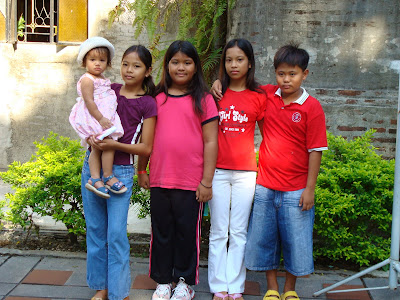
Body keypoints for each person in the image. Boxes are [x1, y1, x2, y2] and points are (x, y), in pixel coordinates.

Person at [212, 43, 328, 300]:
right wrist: (216, 83)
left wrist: (310, 189)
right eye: (281, 74)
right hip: (264, 183)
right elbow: (238, 88)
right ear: (275, 73)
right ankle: (272, 288)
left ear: (304, 74)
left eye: (293, 74)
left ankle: (290, 290)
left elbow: (316, 150)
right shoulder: (266, 95)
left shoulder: (312, 107)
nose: (286, 80)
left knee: (295, 243)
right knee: (265, 240)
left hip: (296, 188)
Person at [137, 40, 219, 300]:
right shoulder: (155, 99)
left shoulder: (204, 100)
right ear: (166, 65)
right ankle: (163, 281)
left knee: (186, 235)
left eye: (187, 62)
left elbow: (211, 141)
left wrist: (206, 182)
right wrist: (142, 170)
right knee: (161, 232)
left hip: (190, 182)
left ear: (196, 67)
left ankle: (184, 282)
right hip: (160, 179)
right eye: (175, 62)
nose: (180, 67)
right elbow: (145, 139)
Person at [82, 44, 157, 300]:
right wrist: (89, 135)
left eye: (136, 66)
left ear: (148, 71)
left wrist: (114, 145)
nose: (129, 70)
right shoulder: (109, 89)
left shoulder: (148, 104)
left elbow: (146, 147)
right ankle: (102, 289)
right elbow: (87, 108)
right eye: (125, 64)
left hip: (121, 172)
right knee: (95, 230)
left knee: (115, 235)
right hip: (92, 166)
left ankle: (119, 292)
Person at [207, 39, 266, 300]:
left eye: (239, 59)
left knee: (239, 232)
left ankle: (236, 287)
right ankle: (218, 285)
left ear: (249, 63)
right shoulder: (215, 94)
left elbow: (268, 135)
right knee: (219, 231)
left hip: (246, 173)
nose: (233, 64)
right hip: (217, 171)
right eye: (229, 60)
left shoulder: (259, 97)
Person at [70, 36, 126, 199]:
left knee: (109, 144)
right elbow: (88, 101)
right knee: (97, 146)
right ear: (84, 61)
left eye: (102, 60)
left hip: (105, 117)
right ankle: (95, 178)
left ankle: (107, 176)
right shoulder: (87, 80)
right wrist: (100, 119)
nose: (97, 63)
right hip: (94, 117)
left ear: (108, 63)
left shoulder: (102, 79)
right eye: (92, 59)